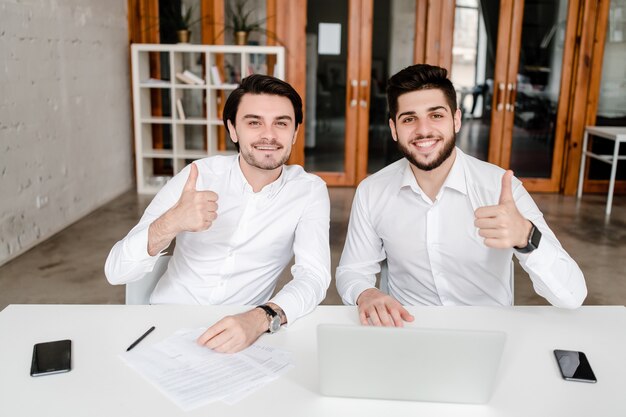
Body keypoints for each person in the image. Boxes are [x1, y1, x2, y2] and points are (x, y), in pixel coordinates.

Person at [336, 64, 586, 327]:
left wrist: (526, 236)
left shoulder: (499, 188)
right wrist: (366, 293)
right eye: (409, 119)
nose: (423, 130)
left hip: (488, 332)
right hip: (409, 330)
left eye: (436, 116)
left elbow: (572, 296)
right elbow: (353, 270)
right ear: (394, 128)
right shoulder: (372, 191)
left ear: (456, 120)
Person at [105, 74, 331, 352]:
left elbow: (315, 276)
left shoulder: (309, 191)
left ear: (295, 132)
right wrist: (172, 222)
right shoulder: (198, 175)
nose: (269, 135)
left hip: (240, 330)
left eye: (281, 123)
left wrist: (262, 317)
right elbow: (116, 271)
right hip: (165, 322)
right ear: (233, 130)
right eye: (254, 122)